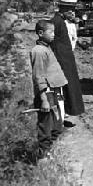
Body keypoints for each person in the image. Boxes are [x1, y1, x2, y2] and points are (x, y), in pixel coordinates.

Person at [30, 20, 68, 158]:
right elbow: (38, 77)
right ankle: (42, 156)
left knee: (57, 126)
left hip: (54, 92)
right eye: (50, 32)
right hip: (46, 94)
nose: (53, 34)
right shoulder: (39, 51)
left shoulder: (46, 48)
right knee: (46, 126)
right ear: (40, 33)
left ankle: (49, 152)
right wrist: (43, 99)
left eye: (53, 31)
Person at [51, 0, 85, 126]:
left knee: (68, 88)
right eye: (69, 10)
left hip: (66, 59)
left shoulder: (62, 22)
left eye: (73, 9)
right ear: (63, 9)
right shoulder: (57, 22)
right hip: (62, 61)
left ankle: (63, 115)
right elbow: (54, 45)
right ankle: (60, 119)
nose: (72, 12)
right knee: (63, 89)